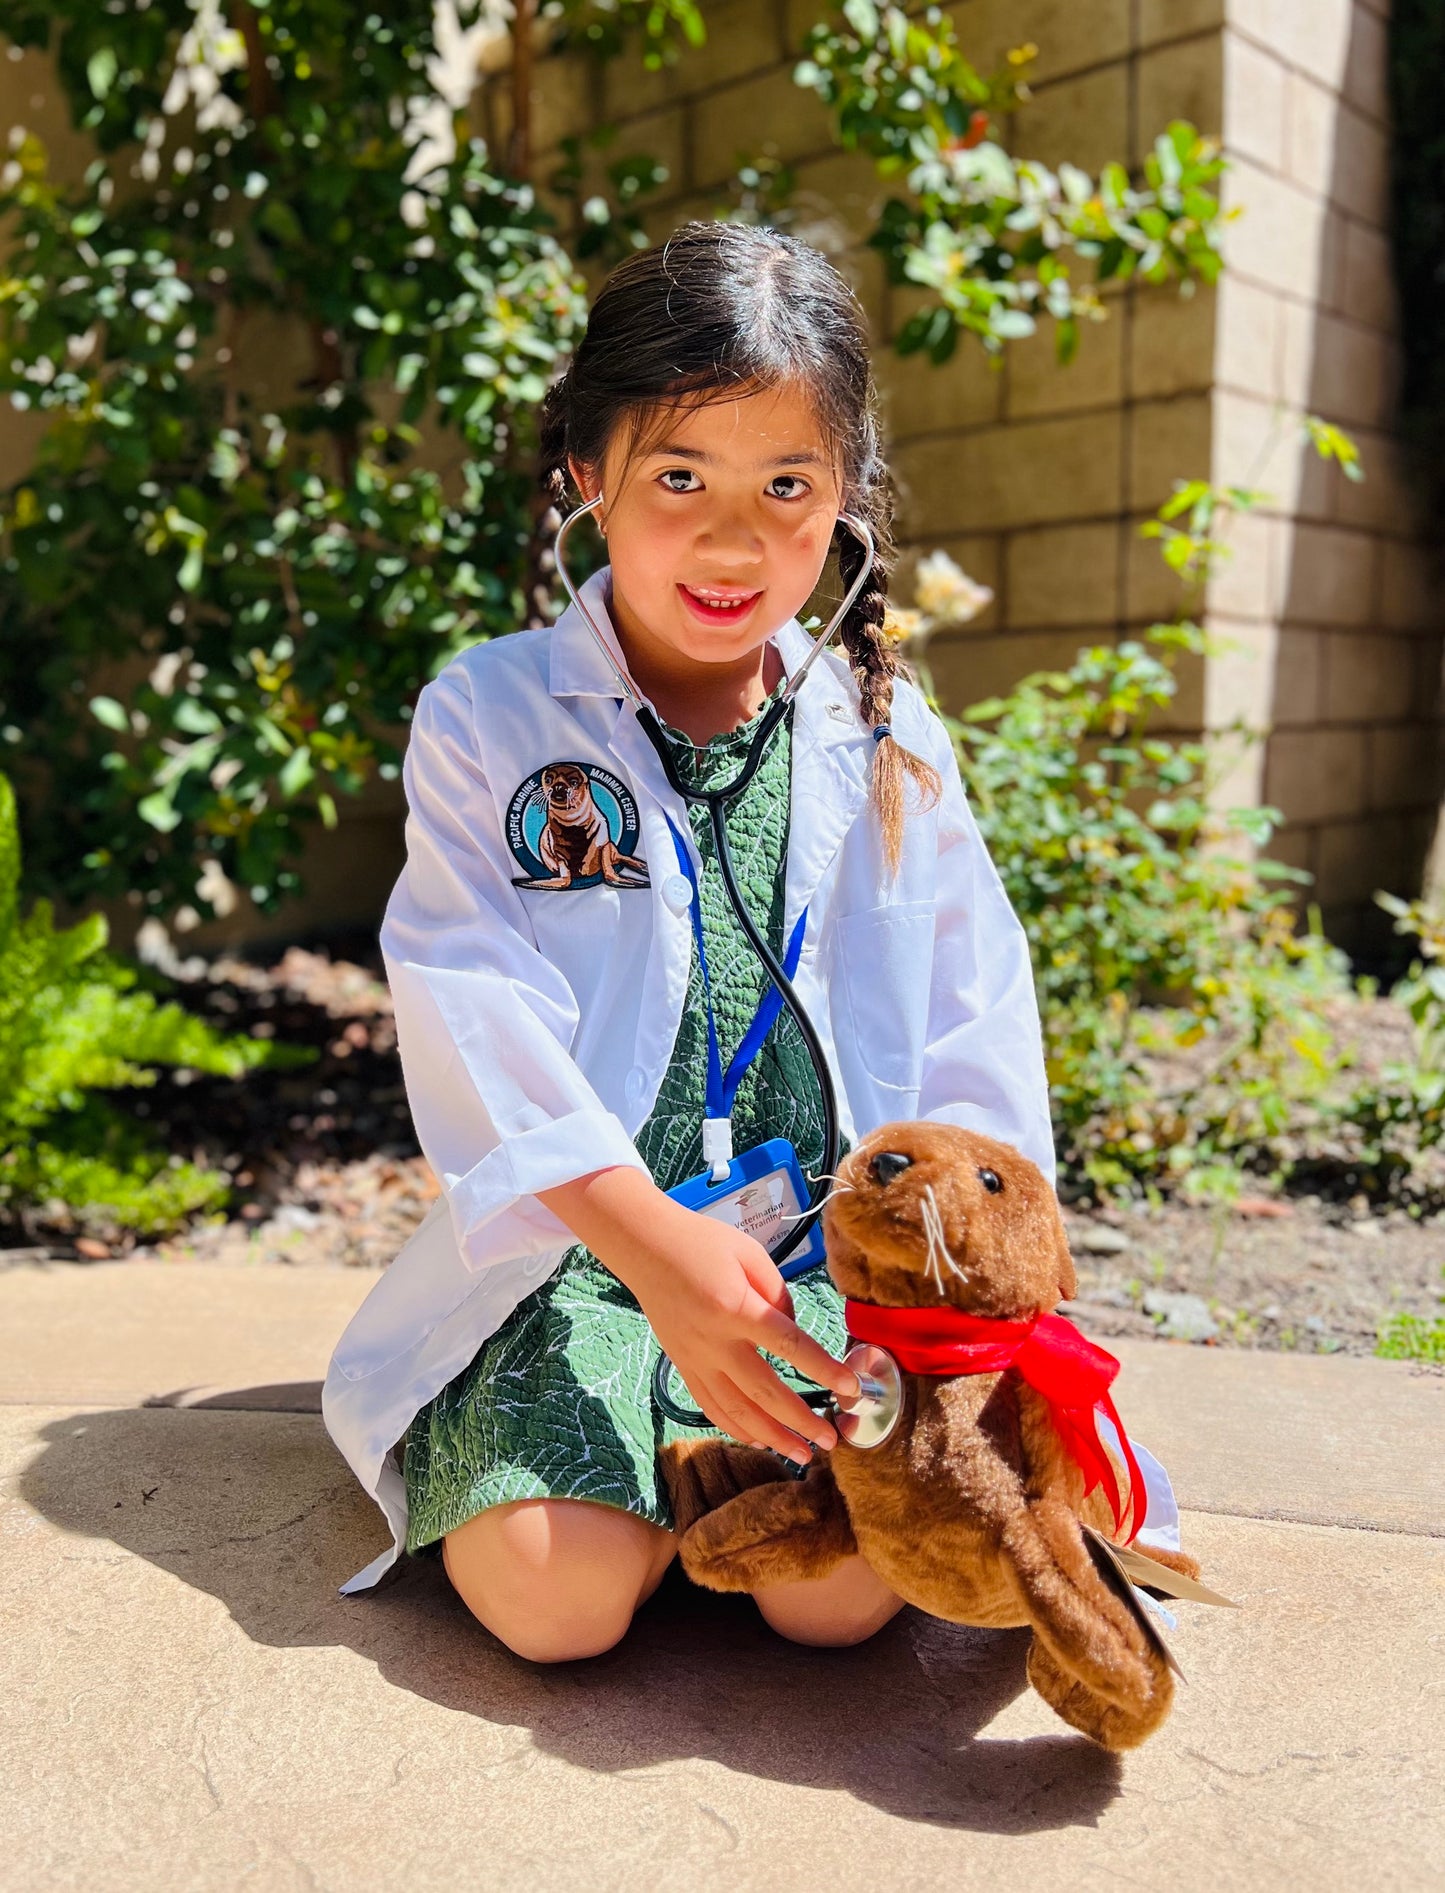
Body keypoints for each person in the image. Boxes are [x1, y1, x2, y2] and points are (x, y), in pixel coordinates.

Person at [321, 220, 1057, 1661]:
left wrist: (974, 1294)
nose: (735, 541)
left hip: (815, 1267)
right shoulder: (490, 714)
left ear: (844, 492)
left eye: (787, 482)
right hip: (588, 1253)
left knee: (837, 1601)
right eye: (677, 478)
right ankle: (644, 1487)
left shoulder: (888, 729)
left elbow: (976, 1003)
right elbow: (470, 996)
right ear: (585, 476)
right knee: (558, 1605)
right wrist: (654, 1247)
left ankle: (698, 1485)